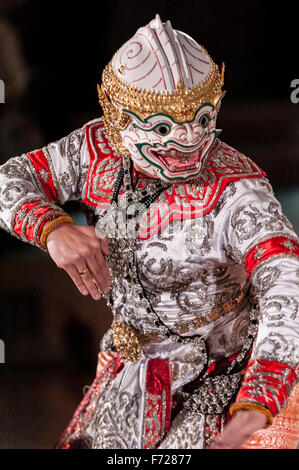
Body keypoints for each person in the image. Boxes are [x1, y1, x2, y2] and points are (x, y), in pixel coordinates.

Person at [0, 15, 298, 449]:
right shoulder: (94, 150)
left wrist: (258, 401)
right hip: (134, 370)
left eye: (201, 117)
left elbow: (287, 283)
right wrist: (52, 228)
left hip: (223, 381)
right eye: (161, 127)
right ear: (118, 118)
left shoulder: (236, 191)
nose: (189, 139)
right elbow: (10, 177)